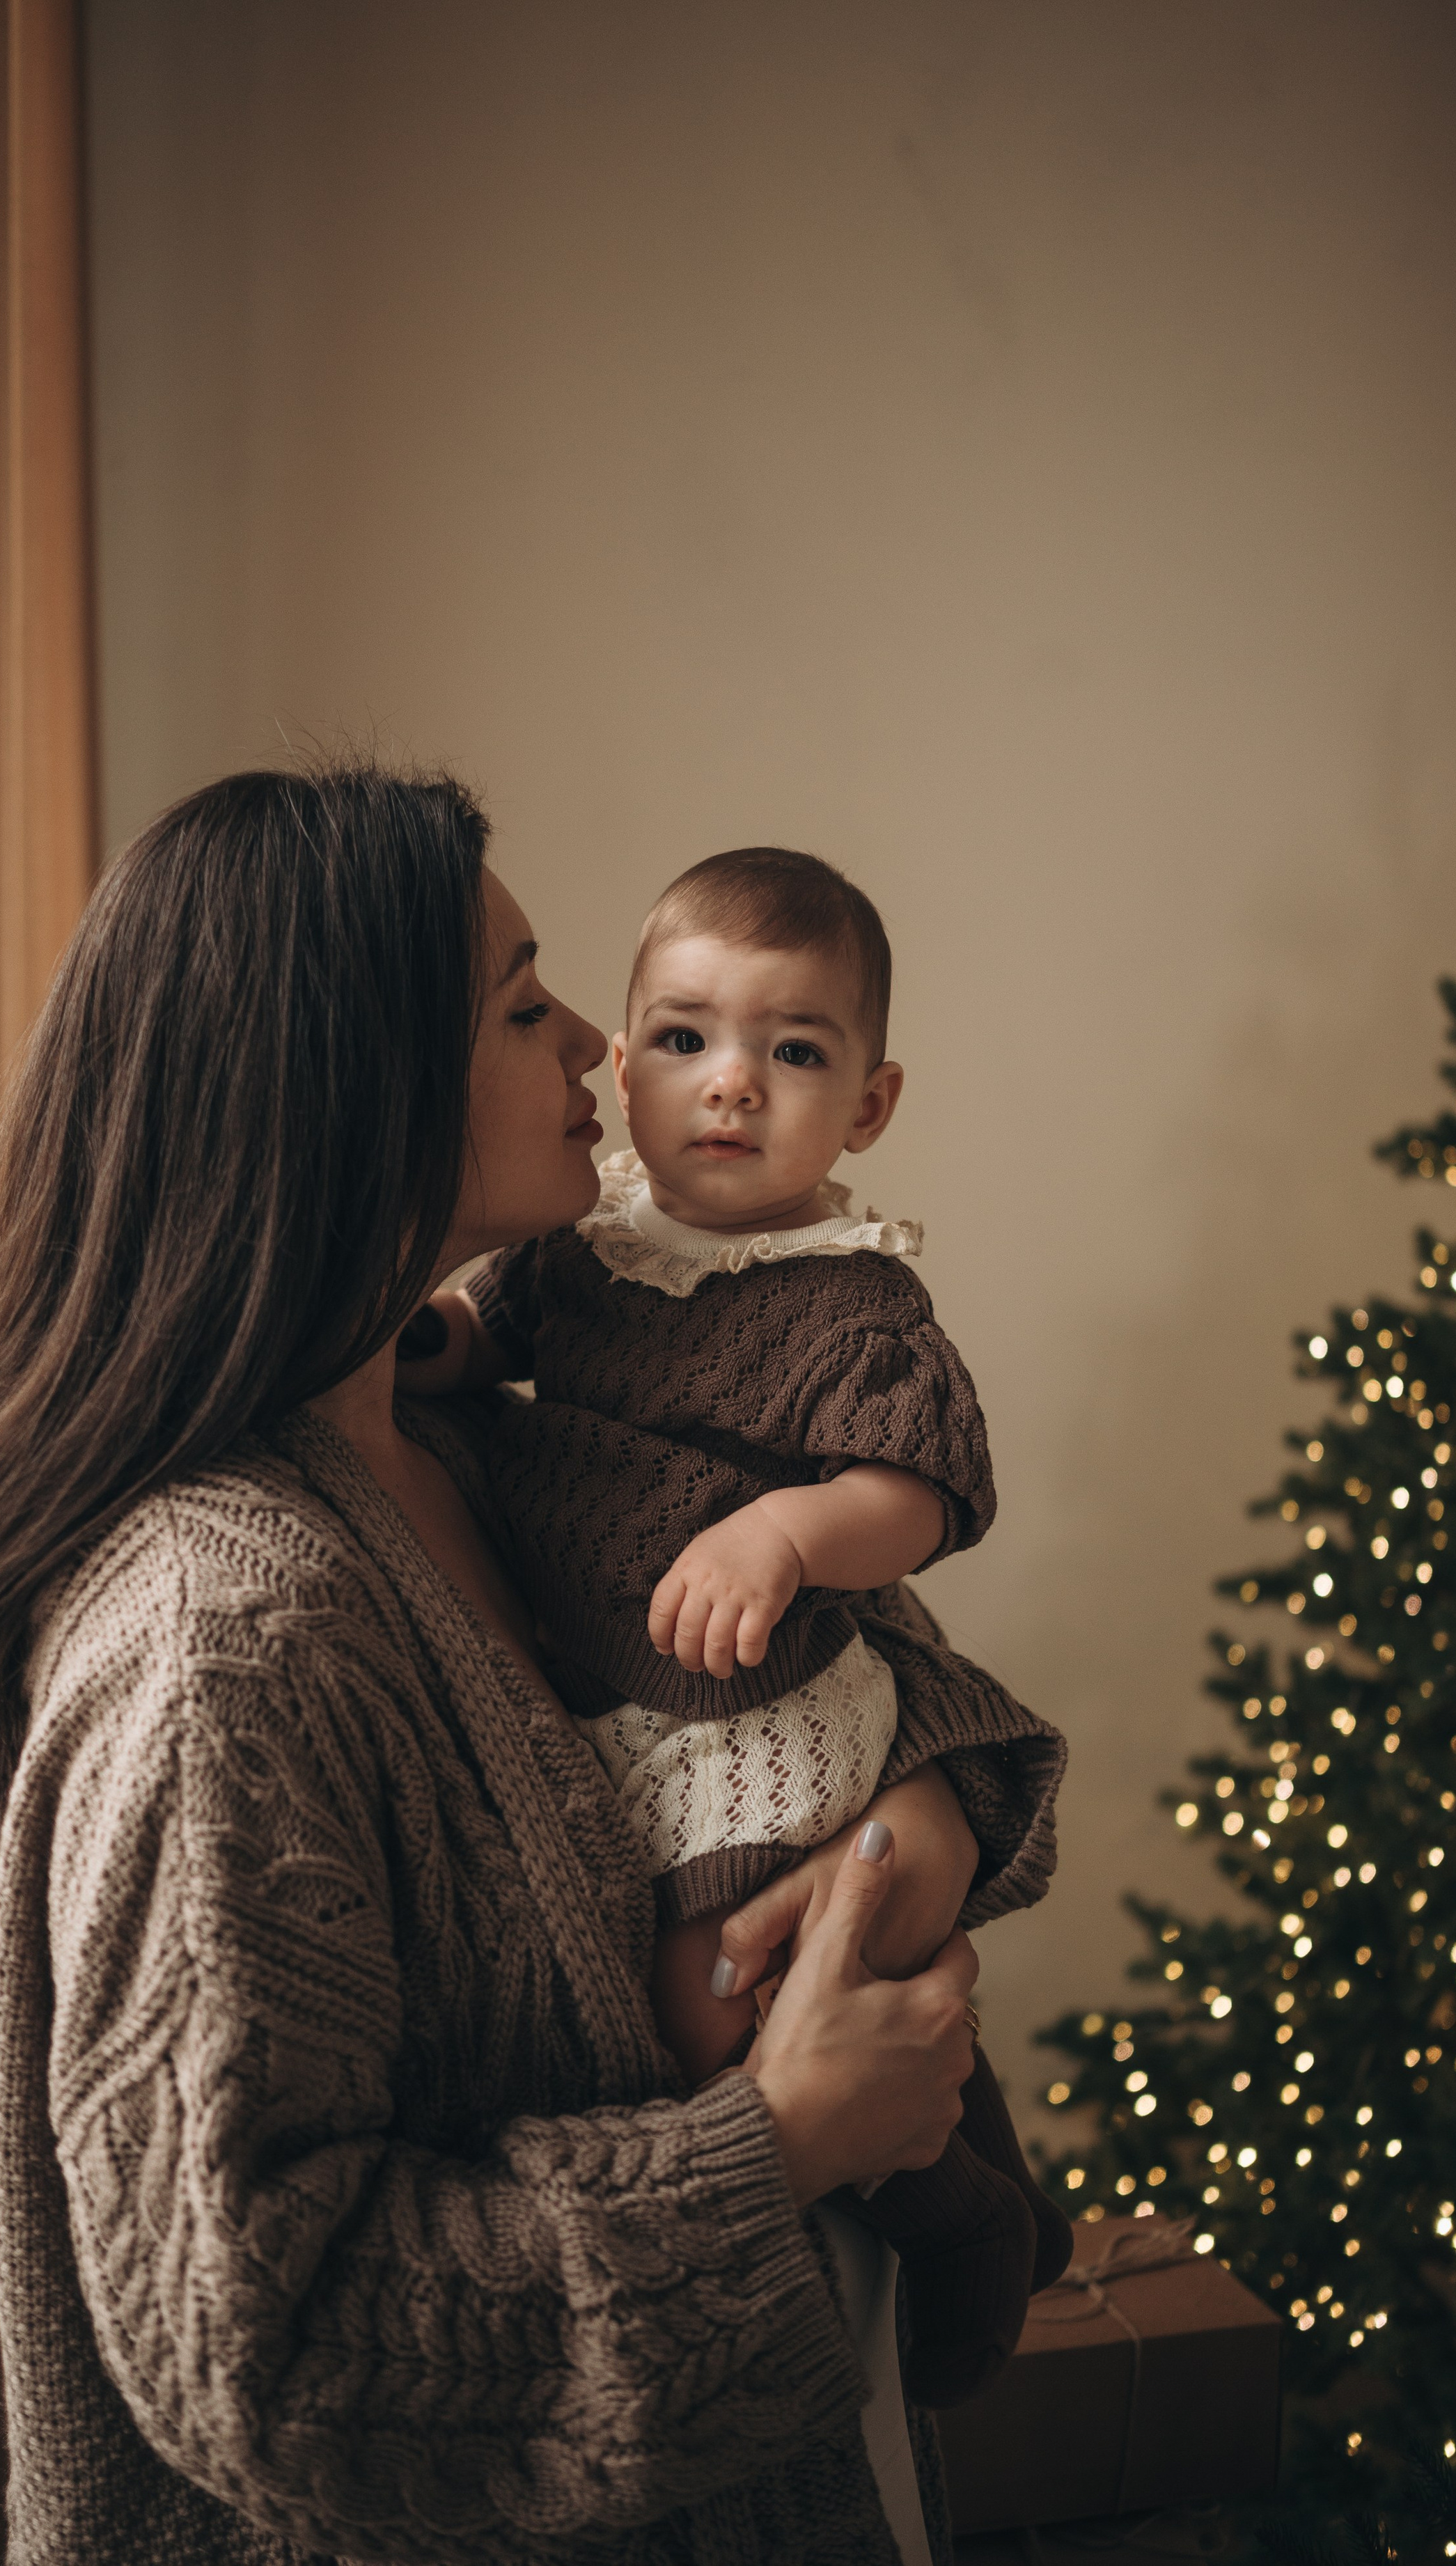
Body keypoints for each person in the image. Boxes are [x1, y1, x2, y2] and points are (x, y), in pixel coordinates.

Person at [0, 762, 1060, 2566]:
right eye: (523, 1000)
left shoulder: (473, 1436)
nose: (592, 1047)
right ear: (356, 1096)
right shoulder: (227, 1644)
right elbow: (273, 2350)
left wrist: (917, 1822)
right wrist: (777, 2141)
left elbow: (846, 1637)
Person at [398, 847, 1071, 2405]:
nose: (732, 1087)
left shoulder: (847, 1296)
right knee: (761, 1994)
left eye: (794, 1053)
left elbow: (920, 1488)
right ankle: (967, 2169)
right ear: (623, 1069)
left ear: (870, 1103)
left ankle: (958, 2215)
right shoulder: (581, 1253)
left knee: (712, 2003)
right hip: (622, 1707)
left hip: (759, 1708)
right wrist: (410, 1333)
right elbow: (470, 1341)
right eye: (688, 1040)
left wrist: (787, 1528)